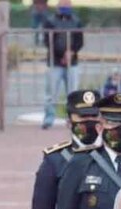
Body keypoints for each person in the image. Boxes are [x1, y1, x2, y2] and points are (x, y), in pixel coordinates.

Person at [42, 0, 85, 129]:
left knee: (73, 93)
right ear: (58, 6)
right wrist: (62, 55)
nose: (65, 7)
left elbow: (79, 41)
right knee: (51, 93)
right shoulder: (50, 21)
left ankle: (72, 119)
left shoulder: (76, 21)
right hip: (55, 62)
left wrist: (71, 52)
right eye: (63, 5)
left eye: (67, 5)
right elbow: (47, 41)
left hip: (72, 63)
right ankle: (49, 119)